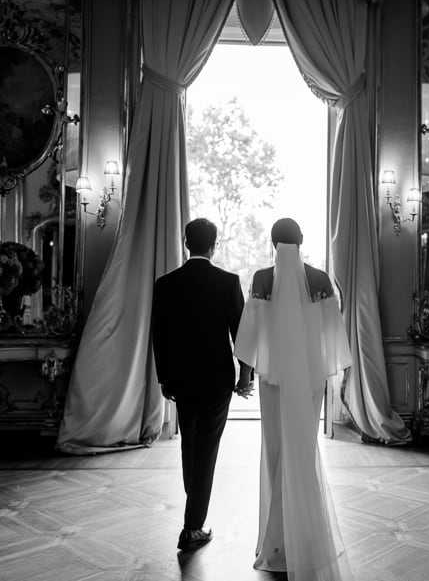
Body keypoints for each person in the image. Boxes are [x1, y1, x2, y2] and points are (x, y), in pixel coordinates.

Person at [234, 218, 353, 581]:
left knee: (275, 453)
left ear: (272, 243)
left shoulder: (261, 279)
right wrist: (329, 374)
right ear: (302, 242)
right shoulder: (320, 280)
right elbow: (334, 334)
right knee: (300, 453)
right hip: (309, 380)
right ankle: (304, 539)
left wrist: (244, 375)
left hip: (273, 381)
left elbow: (250, 333)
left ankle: (277, 544)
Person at [151, 218, 254, 552]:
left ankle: (193, 512)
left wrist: (164, 378)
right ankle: (192, 527)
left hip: (181, 378)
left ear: (185, 243)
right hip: (217, 377)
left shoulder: (166, 283)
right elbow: (241, 332)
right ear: (214, 245)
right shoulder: (227, 281)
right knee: (206, 449)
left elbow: (160, 336)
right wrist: (245, 375)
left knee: (190, 445)